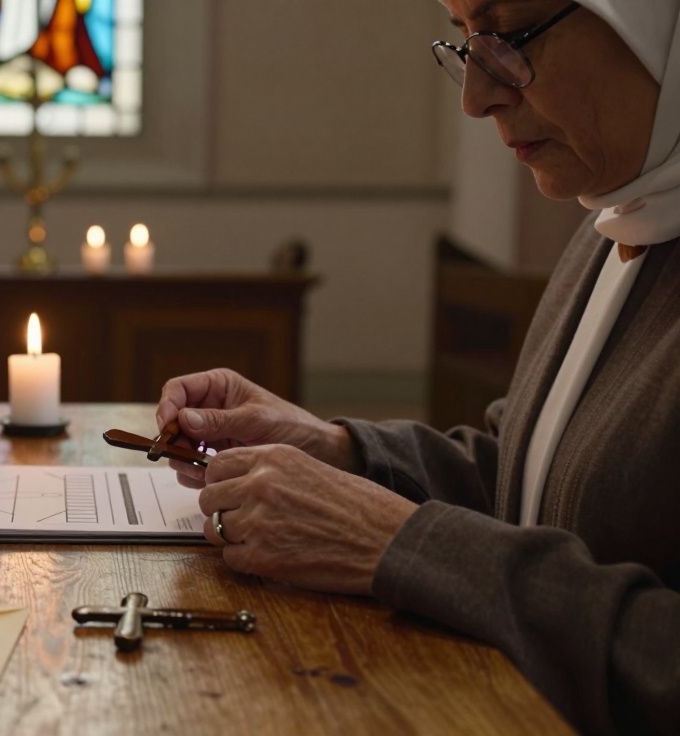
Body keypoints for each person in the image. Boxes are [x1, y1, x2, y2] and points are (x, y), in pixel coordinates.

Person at [156, 2, 679, 733]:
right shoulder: (617, 223)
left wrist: (402, 546)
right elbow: (529, 482)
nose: (477, 98)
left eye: (511, 39)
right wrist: (339, 451)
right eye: (467, 43)